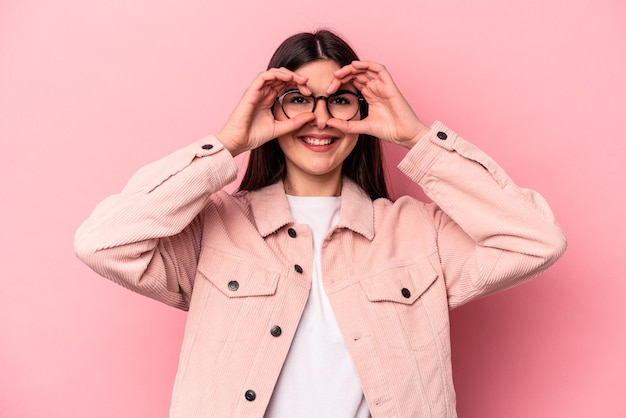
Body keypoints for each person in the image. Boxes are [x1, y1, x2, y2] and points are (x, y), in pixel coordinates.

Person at [74, 30, 567, 418]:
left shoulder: (420, 233)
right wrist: (227, 144)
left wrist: (417, 138)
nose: (320, 120)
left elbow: (537, 240)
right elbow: (103, 242)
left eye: (340, 101)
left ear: (362, 113)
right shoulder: (215, 228)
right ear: (273, 111)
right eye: (299, 100)